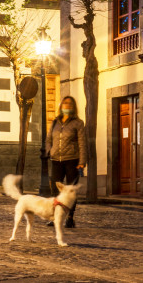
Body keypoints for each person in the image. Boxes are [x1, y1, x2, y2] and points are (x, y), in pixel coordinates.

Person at [44, 96, 87, 228]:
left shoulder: (78, 123)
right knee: (54, 190)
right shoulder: (55, 122)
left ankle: (70, 217)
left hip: (72, 160)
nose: (67, 106)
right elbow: (48, 139)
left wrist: (82, 161)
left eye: (69, 104)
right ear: (61, 106)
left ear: (73, 107)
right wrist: (49, 151)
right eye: (65, 103)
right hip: (56, 159)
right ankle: (55, 217)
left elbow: (82, 143)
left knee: (70, 191)